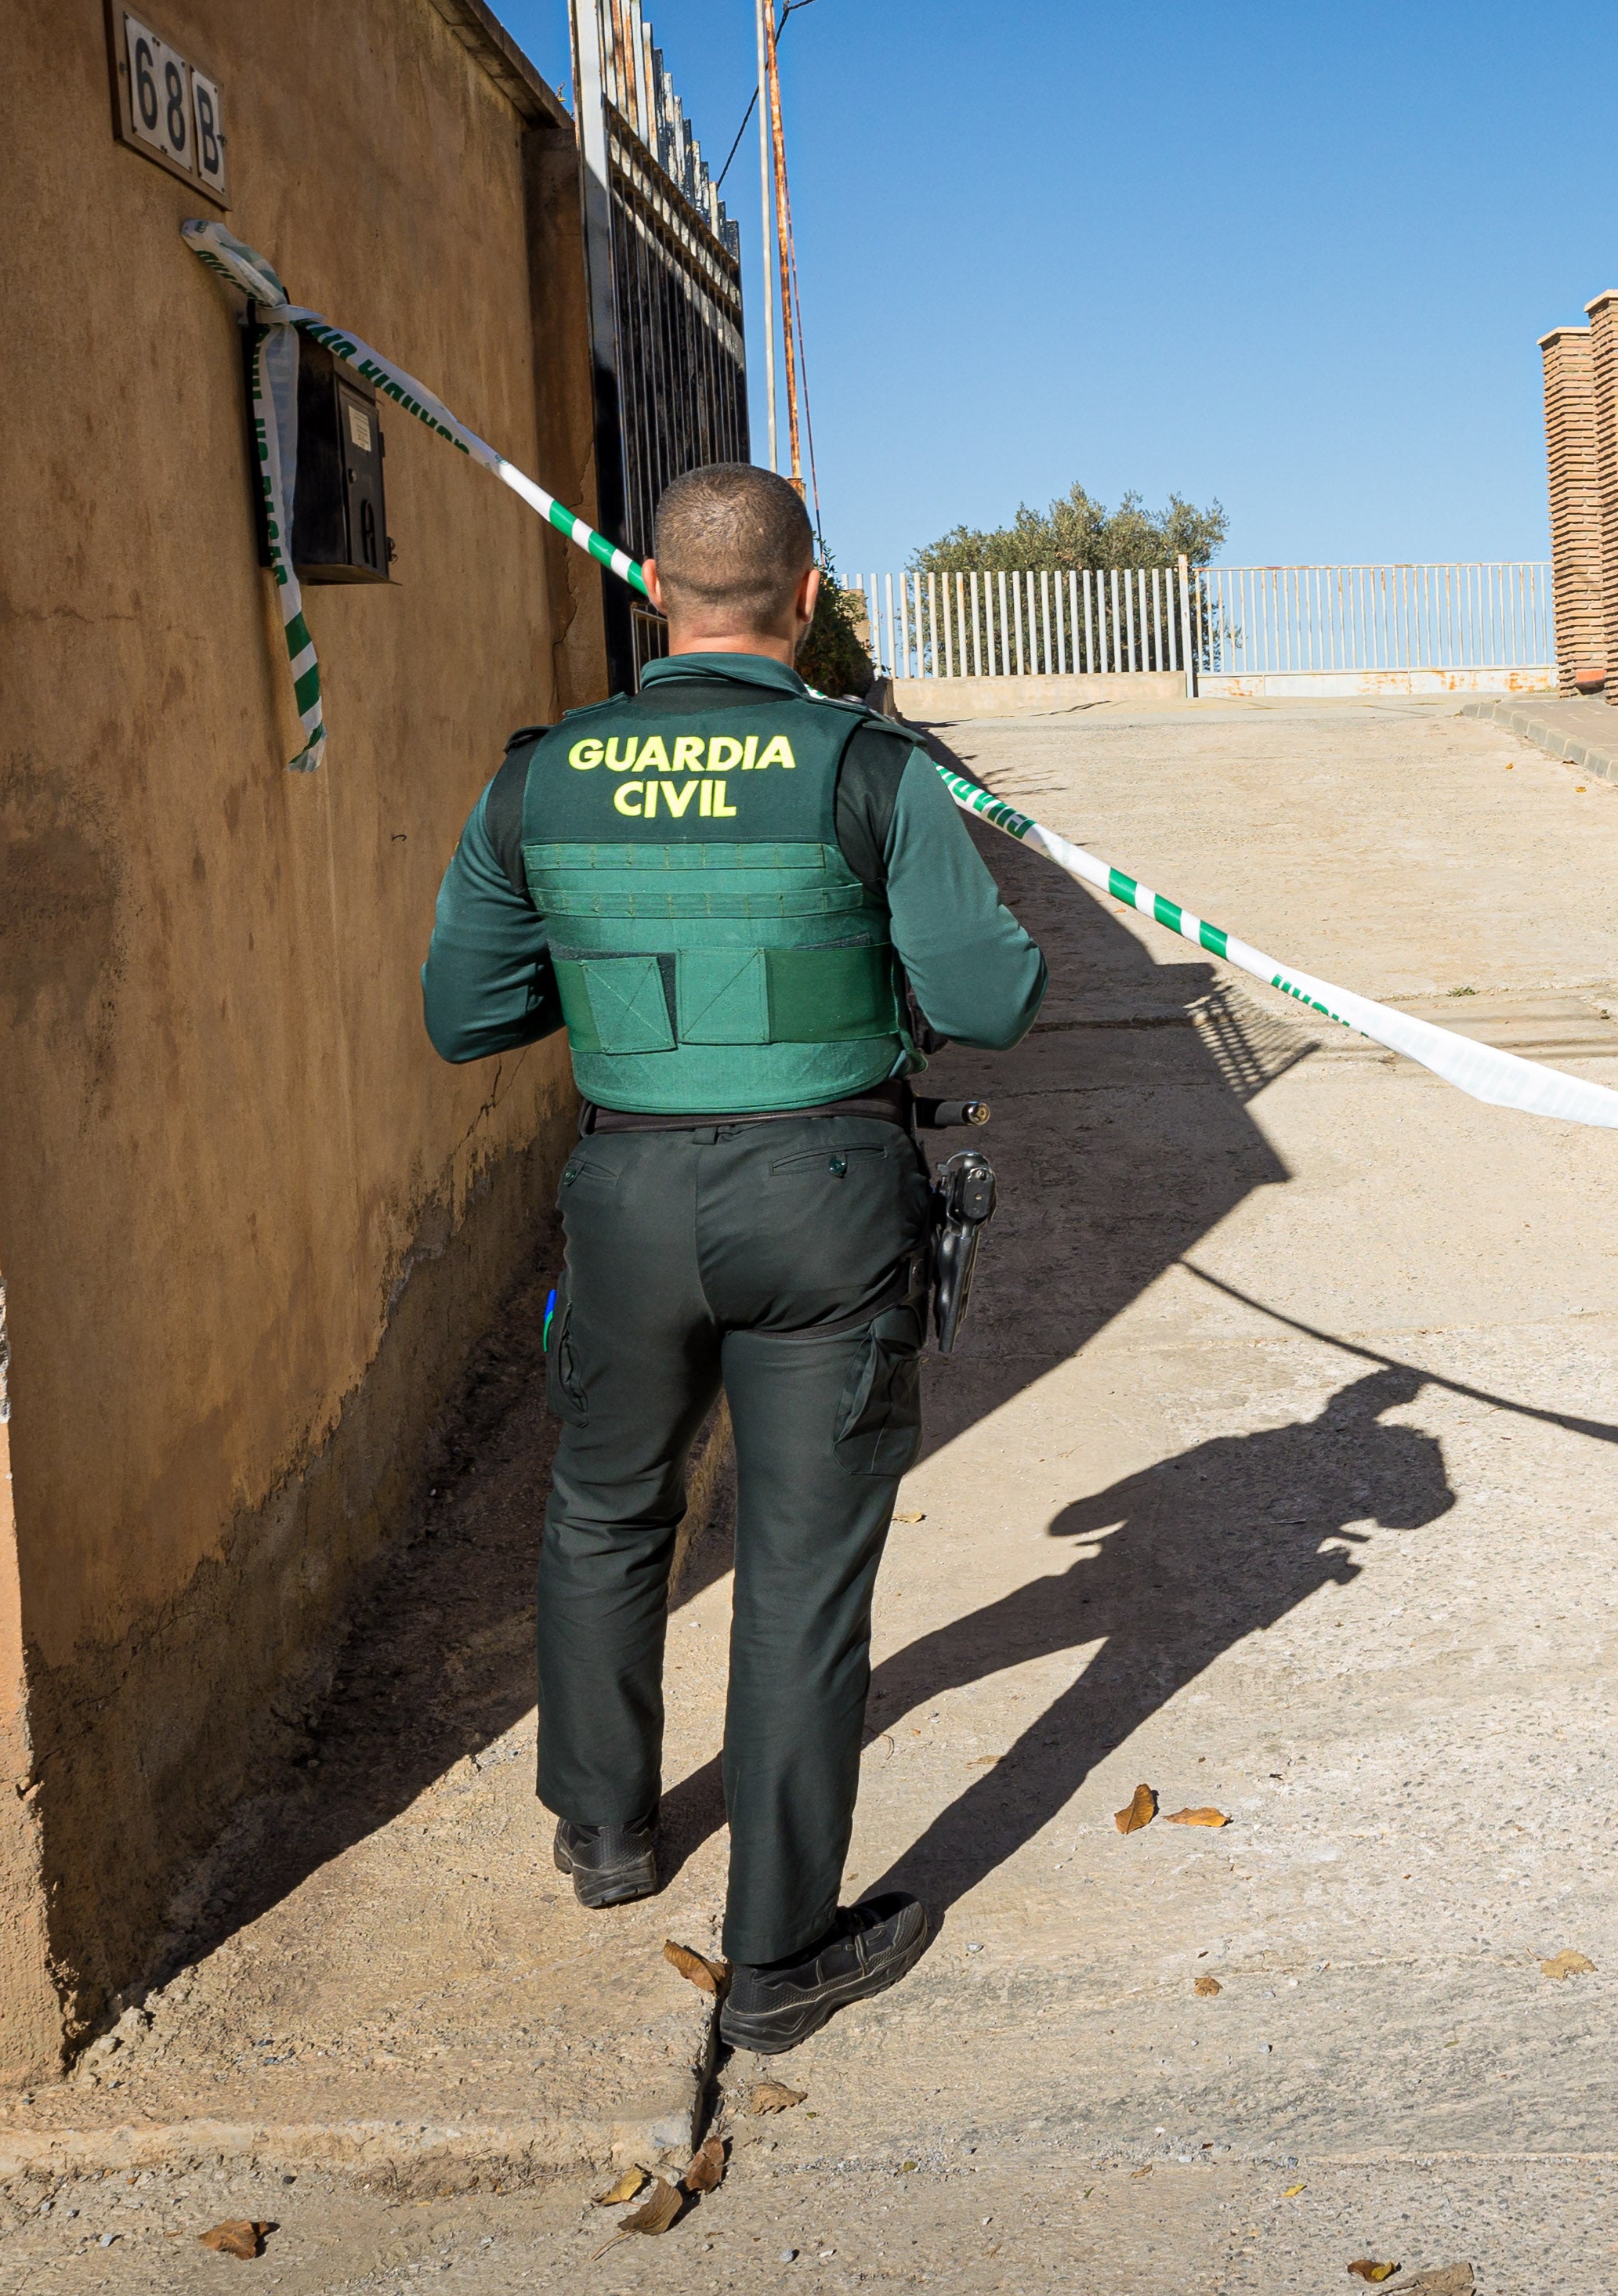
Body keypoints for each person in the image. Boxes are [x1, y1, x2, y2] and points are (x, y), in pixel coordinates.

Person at [422, 463, 1046, 2055]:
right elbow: (992, 999)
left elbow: (465, 1017)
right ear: (810, 598)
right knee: (798, 1573)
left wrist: (638, 970)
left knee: (604, 1505)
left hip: (627, 1197)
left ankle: (606, 1834)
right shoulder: (869, 768)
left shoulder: (543, 778)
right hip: (827, 1195)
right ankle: (777, 1958)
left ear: (651, 595)